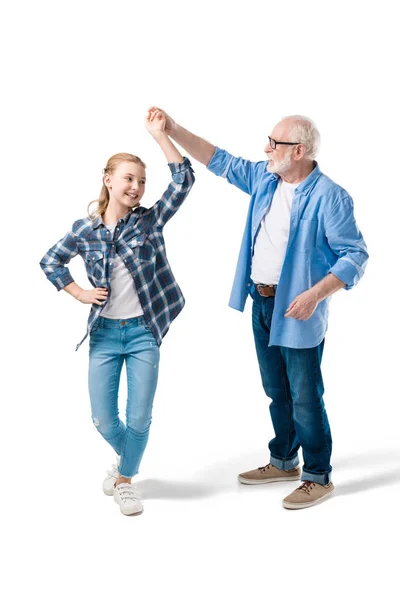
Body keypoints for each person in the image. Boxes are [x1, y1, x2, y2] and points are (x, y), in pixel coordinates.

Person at [146, 106, 368, 509]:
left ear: (298, 150)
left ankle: (318, 476)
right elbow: (220, 160)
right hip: (261, 303)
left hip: (298, 310)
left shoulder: (330, 196)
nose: (266, 149)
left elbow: (354, 256)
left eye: (275, 143)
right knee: (275, 390)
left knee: (304, 394)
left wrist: (315, 295)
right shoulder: (267, 178)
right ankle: (284, 460)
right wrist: (172, 129)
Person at [40, 111, 195, 516]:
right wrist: (78, 292)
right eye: (128, 178)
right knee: (104, 420)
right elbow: (51, 262)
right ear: (108, 179)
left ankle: (125, 481)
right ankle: (128, 463)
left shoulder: (149, 222)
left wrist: (159, 136)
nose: (137, 187)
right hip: (105, 335)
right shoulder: (85, 229)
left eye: (142, 181)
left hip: (144, 332)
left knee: (139, 416)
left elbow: (183, 181)